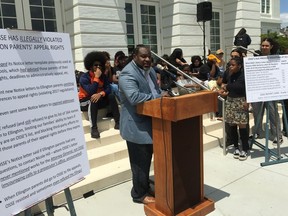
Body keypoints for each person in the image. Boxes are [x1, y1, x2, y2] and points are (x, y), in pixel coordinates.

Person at [118, 44, 168, 204]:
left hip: (151, 122)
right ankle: (139, 194)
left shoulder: (151, 71)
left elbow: (155, 91)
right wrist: (159, 97)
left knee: (146, 160)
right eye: (143, 56)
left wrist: (163, 95)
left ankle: (144, 187)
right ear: (135, 56)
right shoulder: (127, 74)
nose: (147, 59)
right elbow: (134, 97)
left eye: (149, 56)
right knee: (139, 162)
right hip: (136, 126)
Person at [78, 51, 120, 139]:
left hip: (98, 98)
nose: (98, 67)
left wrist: (101, 93)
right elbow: (91, 91)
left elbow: (108, 88)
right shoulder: (84, 77)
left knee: (111, 96)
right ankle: (94, 128)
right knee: (93, 98)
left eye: (100, 65)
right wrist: (96, 77)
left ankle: (118, 122)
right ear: (90, 66)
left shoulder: (103, 76)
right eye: (95, 65)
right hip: (84, 101)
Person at [250, 38, 282, 144]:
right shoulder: (255, 58)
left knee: (273, 113)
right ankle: (258, 132)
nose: (264, 47)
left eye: (266, 46)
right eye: (263, 45)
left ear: (271, 47)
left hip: (271, 91)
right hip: (257, 90)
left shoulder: (276, 59)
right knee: (257, 112)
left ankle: (277, 134)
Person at [220, 57, 249, 160]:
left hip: (241, 101)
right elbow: (224, 84)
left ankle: (245, 148)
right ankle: (236, 147)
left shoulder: (244, 75)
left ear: (239, 66)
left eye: (233, 65)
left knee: (242, 125)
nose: (230, 67)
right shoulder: (228, 74)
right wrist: (224, 89)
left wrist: (247, 101)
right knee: (232, 124)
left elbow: (240, 87)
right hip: (230, 101)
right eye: (230, 65)